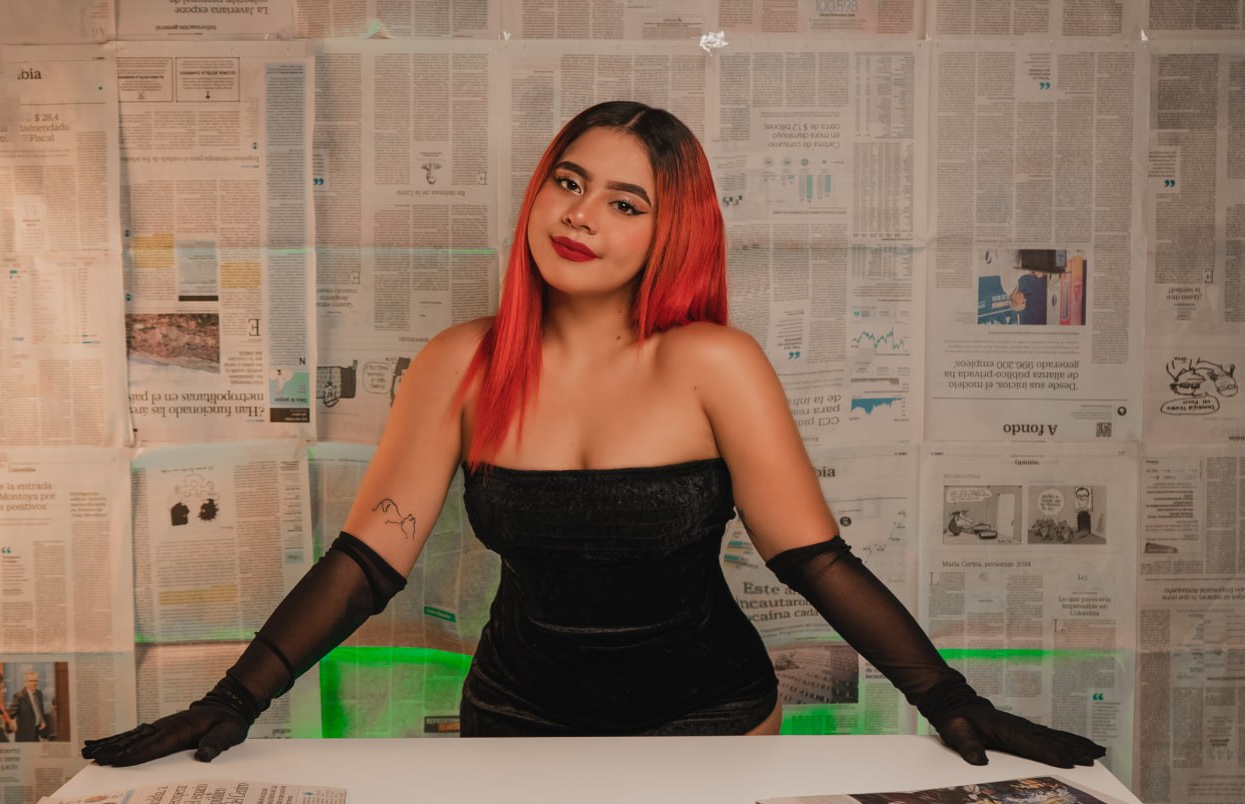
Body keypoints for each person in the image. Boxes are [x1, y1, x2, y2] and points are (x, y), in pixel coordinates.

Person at [84, 102, 1104, 767]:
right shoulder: (459, 361)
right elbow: (367, 561)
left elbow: (814, 560)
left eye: (624, 203)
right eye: (568, 183)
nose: (580, 216)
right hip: (514, 721)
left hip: (712, 721)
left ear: (668, 233)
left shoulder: (713, 363)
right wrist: (235, 699)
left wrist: (947, 700)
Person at [9, 670, 53, 742]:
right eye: (31, 681)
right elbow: (10, 714)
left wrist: (42, 721)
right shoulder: (19, 696)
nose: (34, 683)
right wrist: (10, 722)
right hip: (24, 736)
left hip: (37, 732)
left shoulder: (39, 693)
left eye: (35, 681)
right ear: (25, 682)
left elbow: (40, 709)